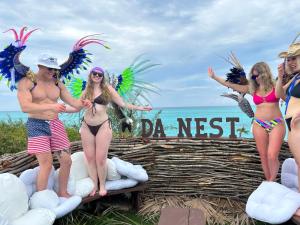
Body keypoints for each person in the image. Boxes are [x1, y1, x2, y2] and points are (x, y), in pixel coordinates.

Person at [67, 66, 152, 196]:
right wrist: (58, 108)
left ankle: (102, 185)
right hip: (86, 126)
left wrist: (140, 108)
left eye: (99, 74)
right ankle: (94, 185)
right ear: (90, 75)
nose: (96, 76)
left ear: (102, 77)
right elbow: (77, 107)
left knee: (101, 159)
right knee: (89, 158)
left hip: (103, 126)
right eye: (94, 73)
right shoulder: (86, 91)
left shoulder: (108, 89)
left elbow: (122, 104)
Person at [17, 54, 92, 197]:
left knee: (67, 161)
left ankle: (62, 192)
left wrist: (84, 103)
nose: (52, 71)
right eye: (49, 68)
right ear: (39, 66)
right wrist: (51, 106)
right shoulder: (27, 82)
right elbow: (25, 107)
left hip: (55, 125)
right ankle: (41, 198)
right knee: (46, 164)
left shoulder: (58, 84)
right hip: (36, 125)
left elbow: (75, 105)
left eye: (54, 68)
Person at [208, 62, 285, 181]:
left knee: (272, 155)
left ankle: (272, 180)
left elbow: (284, 95)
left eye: (257, 75)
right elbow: (231, 85)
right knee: (263, 156)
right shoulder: (252, 89)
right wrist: (214, 77)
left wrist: (280, 77)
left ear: (265, 73)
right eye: (253, 76)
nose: (255, 78)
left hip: (276, 123)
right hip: (259, 124)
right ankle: (270, 181)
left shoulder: (276, 86)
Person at [276, 42, 300, 200]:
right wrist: (279, 76)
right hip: (292, 124)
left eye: (294, 58)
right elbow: (280, 95)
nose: (290, 62)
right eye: (288, 59)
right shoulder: (296, 78)